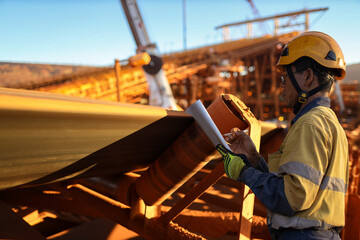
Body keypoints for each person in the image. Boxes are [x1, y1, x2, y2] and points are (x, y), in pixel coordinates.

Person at [216, 31, 349, 240]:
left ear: (307, 77)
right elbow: (297, 186)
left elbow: (291, 198)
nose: (282, 84)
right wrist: (253, 158)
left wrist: (243, 172)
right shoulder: (330, 123)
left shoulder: (310, 124)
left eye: (285, 76)